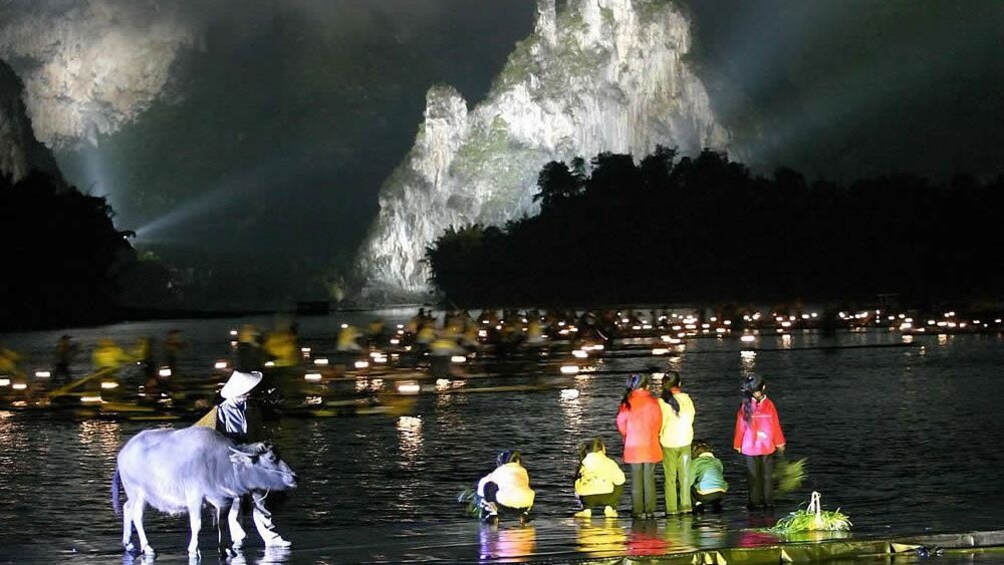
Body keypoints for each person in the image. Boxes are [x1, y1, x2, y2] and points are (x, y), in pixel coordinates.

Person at [216, 370, 292, 549]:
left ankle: (271, 538)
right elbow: (218, 439)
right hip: (233, 462)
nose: (248, 395)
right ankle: (237, 539)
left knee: (260, 499)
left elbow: (259, 433)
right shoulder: (221, 412)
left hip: (254, 461)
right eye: (245, 392)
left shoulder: (252, 409)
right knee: (235, 503)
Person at [733, 374, 786, 510]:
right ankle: (769, 504)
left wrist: (737, 444)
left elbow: (740, 427)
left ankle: (755, 504)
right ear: (763, 387)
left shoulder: (745, 406)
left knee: (753, 478)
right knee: (767, 476)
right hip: (767, 446)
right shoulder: (769, 405)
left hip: (749, 448)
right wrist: (779, 442)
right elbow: (775, 425)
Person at [616, 373, 662, 519]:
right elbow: (658, 423)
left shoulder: (627, 403)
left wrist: (626, 436)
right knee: (649, 478)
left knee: (636, 480)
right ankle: (650, 511)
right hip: (650, 444)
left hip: (633, 446)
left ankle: (637, 511)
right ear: (646, 386)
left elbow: (620, 424)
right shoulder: (654, 402)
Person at [658, 370, 695, 514]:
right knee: (685, 478)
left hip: (668, 443)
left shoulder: (661, 403)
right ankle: (686, 507)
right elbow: (691, 419)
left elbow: (660, 424)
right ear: (679, 384)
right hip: (685, 441)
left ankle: (672, 509)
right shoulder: (687, 400)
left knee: (670, 479)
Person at [477, 450, 535, 526]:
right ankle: (524, 515)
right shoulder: (523, 471)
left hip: (505, 504)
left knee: (488, 486)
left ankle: (492, 514)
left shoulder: (500, 470)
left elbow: (483, 484)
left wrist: (480, 498)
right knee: (525, 488)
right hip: (525, 505)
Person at [573, 437, 625, 519]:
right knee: (620, 482)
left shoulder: (583, 462)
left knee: (578, 481)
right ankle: (610, 507)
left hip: (587, 497)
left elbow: (576, 480)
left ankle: (586, 509)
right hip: (606, 495)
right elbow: (620, 480)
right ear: (602, 450)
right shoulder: (609, 461)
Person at [689, 439, 728, 513]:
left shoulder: (695, 462)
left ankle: (698, 505)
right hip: (721, 492)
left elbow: (689, 481)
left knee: (687, 486)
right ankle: (716, 506)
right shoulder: (718, 461)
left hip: (704, 495)